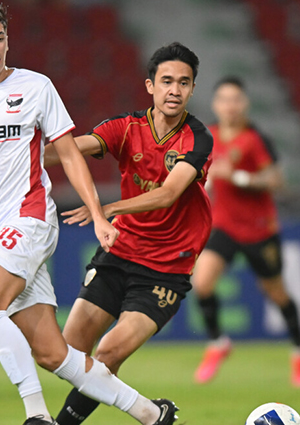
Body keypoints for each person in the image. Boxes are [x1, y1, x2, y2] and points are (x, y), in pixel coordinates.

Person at [0, 1, 178, 425]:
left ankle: (36, 416)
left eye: (0, 38)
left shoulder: (36, 87)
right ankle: (152, 414)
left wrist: (97, 215)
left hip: (32, 216)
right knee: (52, 353)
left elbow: (71, 156)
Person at [43, 42, 213, 425]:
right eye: (167, 81)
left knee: (109, 354)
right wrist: (26, 149)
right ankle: (156, 413)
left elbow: (169, 193)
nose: (175, 90)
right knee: (67, 352)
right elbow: (74, 149)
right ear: (149, 85)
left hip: (167, 267)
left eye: (184, 83)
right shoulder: (127, 127)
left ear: (192, 90)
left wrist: (105, 210)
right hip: (120, 252)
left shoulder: (197, 140)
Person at [191, 76, 300, 387]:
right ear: (216, 105)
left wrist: (240, 177)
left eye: (236, 100)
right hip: (224, 225)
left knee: (276, 292)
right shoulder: (208, 137)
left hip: (259, 229)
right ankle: (218, 343)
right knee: (202, 282)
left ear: (245, 104)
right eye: (224, 100)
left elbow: (276, 180)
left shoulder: (255, 138)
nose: (230, 106)